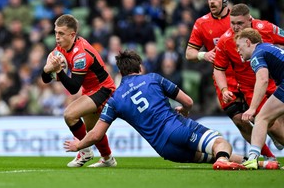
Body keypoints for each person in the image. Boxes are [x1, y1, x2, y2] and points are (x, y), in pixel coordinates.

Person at [64, 50, 279, 170]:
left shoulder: (115, 100)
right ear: (140, 67)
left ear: (121, 72)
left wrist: (79, 145)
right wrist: (184, 112)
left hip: (165, 150)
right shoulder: (153, 78)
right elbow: (188, 101)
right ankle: (223, 162)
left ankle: (261, 164)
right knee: (221, 143)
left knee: (213, 154)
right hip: (177, 128)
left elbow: (97, 133)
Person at [185, 0, 277, 159]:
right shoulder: (201, 23)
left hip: (249, 75)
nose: (212, 2)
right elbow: (189, 53)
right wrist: (204, 54)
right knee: (239, 121)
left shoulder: (238, 19)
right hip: (224, 78)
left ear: (225, 0)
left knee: (265, 118)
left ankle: (273, 136)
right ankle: (269, 156)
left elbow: (259, 35)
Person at [42, 14, 116, 167]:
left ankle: (85, 151)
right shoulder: (60, 49)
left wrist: (59, 71)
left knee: (70, 115)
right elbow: (45, 79)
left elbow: (73, 87)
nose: (57, 37)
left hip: (103, 89)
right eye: (56, 32)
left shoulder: (81, 53)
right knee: (92, 130)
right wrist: (47, 69)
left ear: (72, 34)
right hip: (90, 90)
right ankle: (108, 159)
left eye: (61, 33)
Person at [213, 3, 284, 153]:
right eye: (232, 23)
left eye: (240, 23)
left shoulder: (266, 28)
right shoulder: (225, 40)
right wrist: (224, 89)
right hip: (251, 88)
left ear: (249, 19)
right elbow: (218, 69)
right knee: (271, 123)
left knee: (273, 120)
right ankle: (272, 149)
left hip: (273, 81)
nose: (235, 27)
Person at [235, 28, 284, 169]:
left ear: (248, 42)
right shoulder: (268, 47)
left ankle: (252, 158)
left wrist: (252, 108)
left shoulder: (257, 54)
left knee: (261, 117)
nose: (238, 50)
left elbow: (262, 80)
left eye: (239, 46)